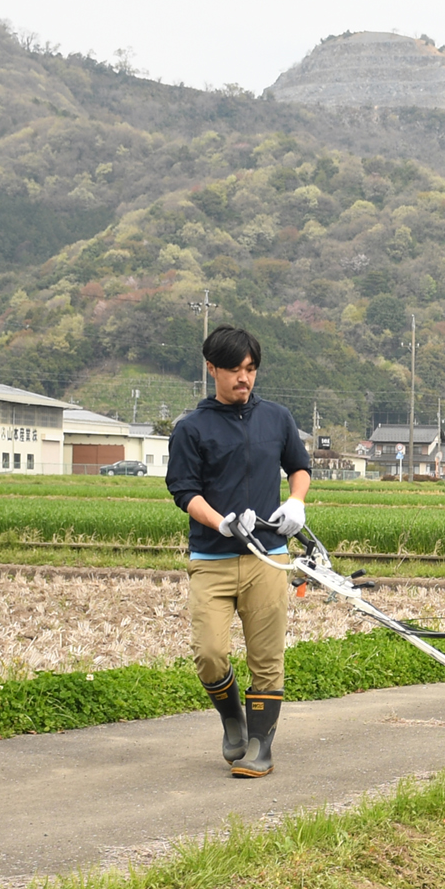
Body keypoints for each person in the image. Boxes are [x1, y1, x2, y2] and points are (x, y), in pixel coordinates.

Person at [165, 326, 311, 778]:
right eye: (233, 370)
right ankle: (233, 719)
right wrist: (220, 521)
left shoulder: (277, 418)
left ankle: (260, 747)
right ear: (212, 369)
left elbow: (299, 466)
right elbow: (183, 489)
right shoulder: (192, 428)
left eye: (250, 369)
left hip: (269, 556)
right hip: (212, 558)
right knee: (209, 652)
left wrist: (295, 502)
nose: (243, 378)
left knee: (266, 657)